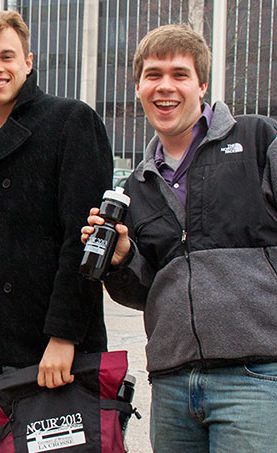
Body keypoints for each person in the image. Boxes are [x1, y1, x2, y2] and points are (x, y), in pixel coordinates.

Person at [82, 24, 277, 451]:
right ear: (138, 87)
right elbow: (144, 291)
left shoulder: (259, 139)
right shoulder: (134, 187)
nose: (164, 86)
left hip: (257, 376)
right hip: (172, 386)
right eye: (153, 75)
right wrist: (121, 258)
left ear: (202, 84)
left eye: (179, 74)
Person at [0, 10, 112, 389]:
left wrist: (65, 337)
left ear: (28, 63)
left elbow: (85, 241)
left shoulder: (71, 121)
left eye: (6, 56)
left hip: (55, 350)